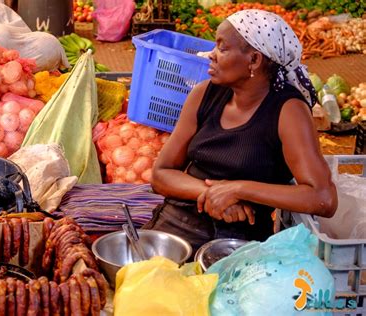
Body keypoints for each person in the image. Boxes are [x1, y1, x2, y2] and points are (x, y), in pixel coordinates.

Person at [143, 9, 338, 251]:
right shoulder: (204, 93)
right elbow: (161, 174)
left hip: (240, 236)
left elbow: (323, 198)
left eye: (222, 48)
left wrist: (239, 189)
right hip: (179, 219)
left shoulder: (288, 111)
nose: (210, 55)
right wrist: (213, 194)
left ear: (254, 60)